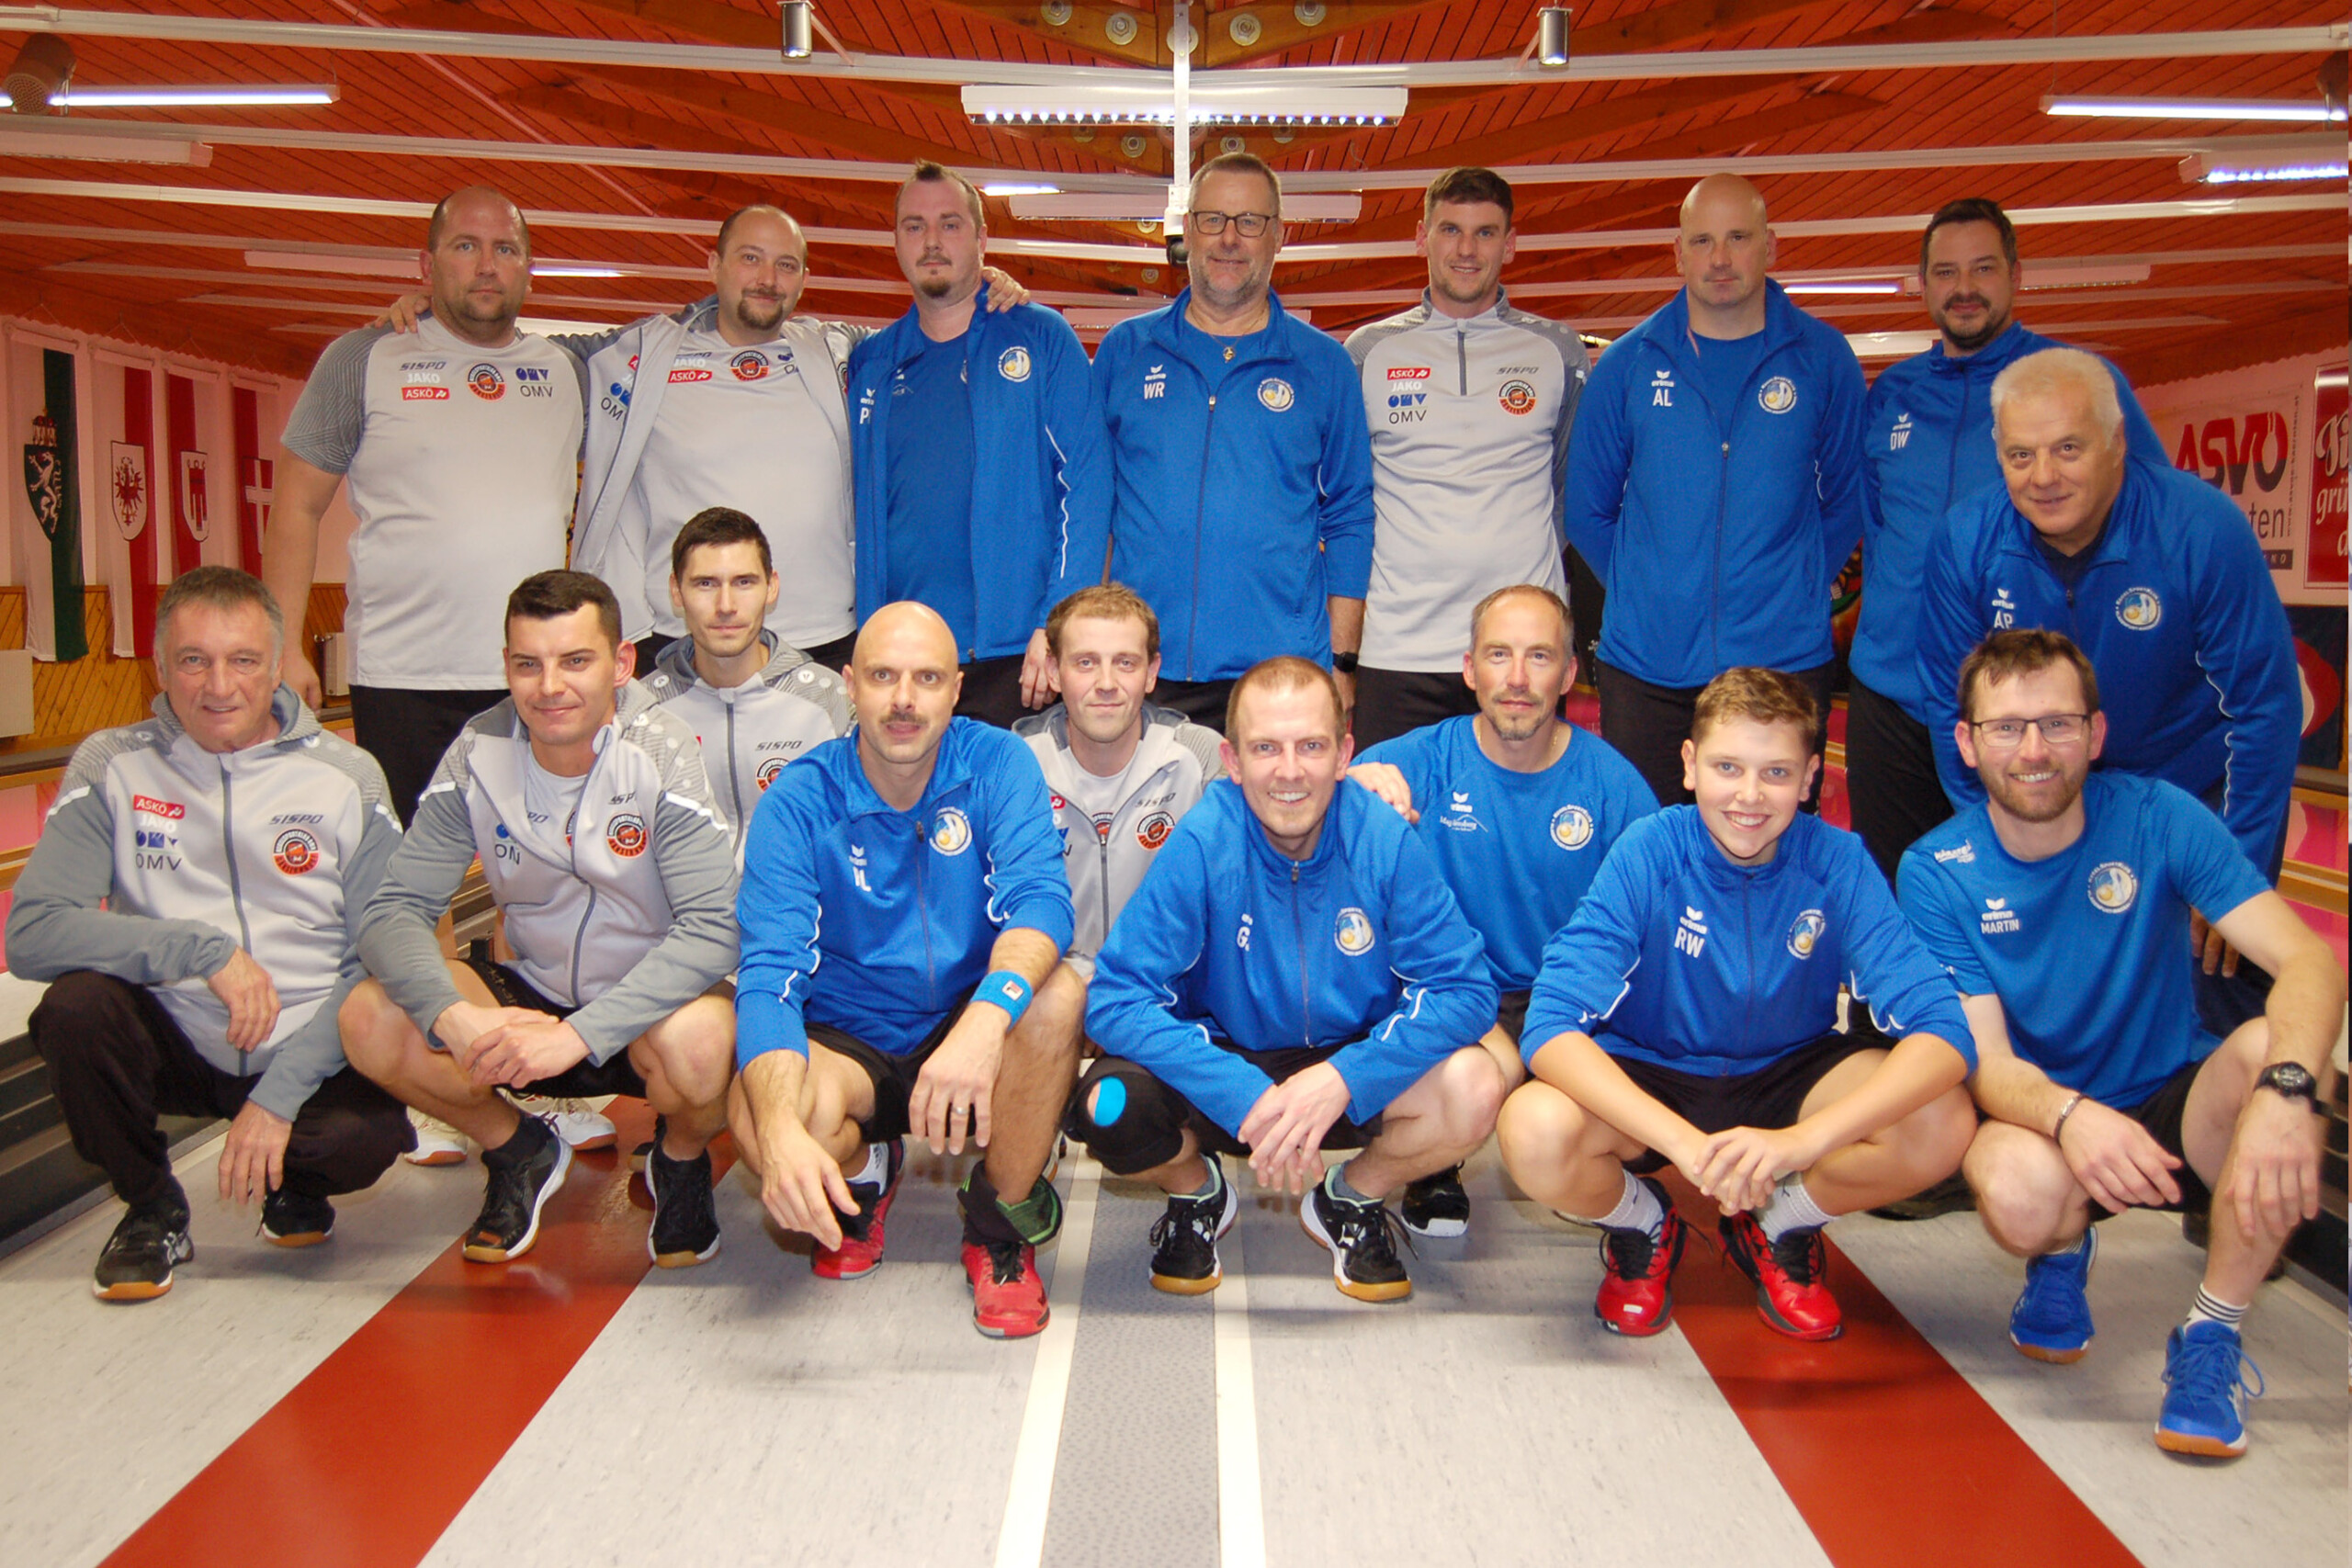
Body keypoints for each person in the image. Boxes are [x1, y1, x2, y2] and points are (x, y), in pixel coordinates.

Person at [1897, 629, 2343, 1458]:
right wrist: (2071, 1116)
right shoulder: (1937, 870)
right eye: (2007, 727)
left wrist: (2289, 1088)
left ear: (2096, 733)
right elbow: (1988, 1064)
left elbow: (2309, 961)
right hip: (2041, 1112)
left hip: (2173, 1098)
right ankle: (2063, 1250)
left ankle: (2211, 1331)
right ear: (1967, 741)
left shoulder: (2159, 815)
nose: (2034, 750)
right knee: (2019, 1194)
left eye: (2058, 723)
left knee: (2272, 1056)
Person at [1498, 667, 1974, 1341]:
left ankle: (1780, 1223)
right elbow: (1548, 1026)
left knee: (1940, 1119)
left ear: (1810, 779)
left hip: (1788, 1071)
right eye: (1728, 767)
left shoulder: (1837, 860)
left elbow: (1947, 1031)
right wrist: (1688, 1148)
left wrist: (1800, 1144)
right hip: (1655, 1068)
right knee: (1533, 1128)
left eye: (1776, 773)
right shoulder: (1650, 850)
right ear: (1690, 765)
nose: (1750, 795)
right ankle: (1644, 1223)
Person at [7, 568, 411, 1300]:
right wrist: (202, 950)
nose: (219, 685)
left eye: (243, 660)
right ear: (161, 667)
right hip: (178, 1034)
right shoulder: (112, 765)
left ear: (276, 664)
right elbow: (32, 931)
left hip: (304, 1040)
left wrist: (278, 1096)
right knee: (75, 1008)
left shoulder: (346, 776)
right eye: (194, 660)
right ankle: (151, 1205)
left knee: (363, 1138)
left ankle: (295, 1181)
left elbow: (379, 953)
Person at [339, 571, 740, 1270]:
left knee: (706, 1043)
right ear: (507, 666)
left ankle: (678, 1159)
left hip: (645, 1006)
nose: (550, 686)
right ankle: (519, 1148)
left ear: (621, 663)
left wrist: (579, 1035)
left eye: (575, 661)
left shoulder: (661, 749)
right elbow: (392, 909)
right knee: (370, 1017)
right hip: (530, 992)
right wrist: (450, 1017)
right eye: (529, 664)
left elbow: (714, 927)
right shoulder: (479, 749)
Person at [1073, 659, 1502, 1302]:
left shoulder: (1383, 838)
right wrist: (1240, 1091)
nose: (1291, 771)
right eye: (1266, 748)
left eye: (1312, 746)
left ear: (1344, 754)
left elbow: (1467, 991)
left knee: (1477, 1085)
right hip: (1226, 1061)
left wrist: (1345, 1077)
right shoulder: (1204, 840)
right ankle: (1197, 1192)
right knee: (1108, 1105)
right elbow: (1113, 998)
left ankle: (1350, 1197)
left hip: (1350, 1067)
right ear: (1233, 760)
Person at [1914, 346, 2300, 1035]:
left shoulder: (2200, 529)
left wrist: (2236, 863)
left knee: (2214, 1016)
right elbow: (1953, 710)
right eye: (2021, 455)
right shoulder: (1967, 540)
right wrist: (2005, 846)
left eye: (2068, 448)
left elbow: (2264, 708)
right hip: (2047, 799)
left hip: (2191, 801)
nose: (2044, 476)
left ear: (2118, 442)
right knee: (2055, 1014)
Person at [729, 603, 1085, 1339]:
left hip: (967, 1017)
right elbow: (768, 971)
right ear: (848, 684)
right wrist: (778, 1130)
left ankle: (997, 1222)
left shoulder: (997, 761)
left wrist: (984, 1023)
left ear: (956, 689)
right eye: (883, 676)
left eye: (926, 678)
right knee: (762, 1121)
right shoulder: (799, 799)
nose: (903, 699)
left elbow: (1042, 903)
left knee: (1058, 996)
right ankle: (865, 1165)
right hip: (849, 1038)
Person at [1848, 198, 2164, 884]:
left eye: (1983, 269)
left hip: (2024, 708)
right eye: (1946, 272)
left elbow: (2148, 521)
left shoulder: (2077, 382)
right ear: (1923, 285)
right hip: (1892, 701)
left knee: (2024, 897)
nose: (1964, 288)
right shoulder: (1893, 393)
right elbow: (1875, 523)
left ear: (2017, 275)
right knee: (1895, 901)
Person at [267, 186, 584, 825]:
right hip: (400, 678)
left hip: (532, 676)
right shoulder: (363, 358)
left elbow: (682, 332)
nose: (487, 265)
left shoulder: (571, 369)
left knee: (534, 865)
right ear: (426, 264)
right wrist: (283, 647)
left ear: (529, 268)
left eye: (505, 249)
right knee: (407, 867)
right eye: (465, 246)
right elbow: (296, 506)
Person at [1348, 584, 1657, 1236]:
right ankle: (1433, 1164)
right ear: (1469, 669)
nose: (1517, 678)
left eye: (1539, 656)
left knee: (1584, 1105)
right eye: (1498, 655)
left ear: (1569, 674)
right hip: (1451, 987)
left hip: (1565, 995)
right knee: (1480, 1070)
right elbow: (1297, 791)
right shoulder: (1421, 759)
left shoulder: (1614, 785)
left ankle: (1591, 1167)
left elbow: (1654, 920)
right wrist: (1351, 784)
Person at [1561, 174, 1868, 809]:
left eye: (1738, 238)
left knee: (1776, 846)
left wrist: (1798, 583)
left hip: (1782, 663)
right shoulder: (1628, 363)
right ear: (1679, 253)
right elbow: (1587, 509)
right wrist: (1650, 590)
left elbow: (1850, 496)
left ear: (1770, 246)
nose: (1720, 258)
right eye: (1702, 241)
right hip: (1647, 670)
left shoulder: (1822, 358)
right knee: (1651, 849)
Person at [1092, 152, 1374, 728]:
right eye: (1212, 219)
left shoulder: (1325, 365)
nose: (1228, 238)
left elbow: (1350, 515)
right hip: (1140, 667)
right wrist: (1092, 640)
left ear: (1278, 236)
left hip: (1280, 673)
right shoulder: (1126, 351)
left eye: (1249, 221)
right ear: (1187, 230)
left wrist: (1343, 661)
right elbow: (1094, 505)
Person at [846, 164, 1111, 727]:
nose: (932, 241)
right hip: (905, 657)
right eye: (914, 226)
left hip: (1017, 656)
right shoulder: (870, 362)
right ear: (895, 241)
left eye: (950, 224)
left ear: (982, 239)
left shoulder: (1040, 337)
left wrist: (1058, 622)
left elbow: (1086, 488)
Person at [1342, 167, 1590, 750]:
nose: (1466, 250)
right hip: (1399, 646)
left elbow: (1568, 490)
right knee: (1390, 806)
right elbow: (1350, 502)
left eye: (1485, 233)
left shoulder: (1557, 350)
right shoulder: (1367, 353)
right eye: (1451, 229)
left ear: (1510, 243)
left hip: (1520, 652)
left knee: (1521, 808)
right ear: (1422, 236)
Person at [1012, 584, 1224, 976]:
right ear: (1054, 672)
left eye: (1125, 663)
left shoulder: (1202, 757)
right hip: (1053, 984)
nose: (1106, 683)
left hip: (1167, 988)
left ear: (1151, 673)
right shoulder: (1016, 765)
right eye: (1086, 663)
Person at [640, 506, 853, 852]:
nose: (726, 605)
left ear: (771, 587)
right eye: (705, 584)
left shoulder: (832, 701)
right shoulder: (643, 712)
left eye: (744, 582)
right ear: (676, 592)